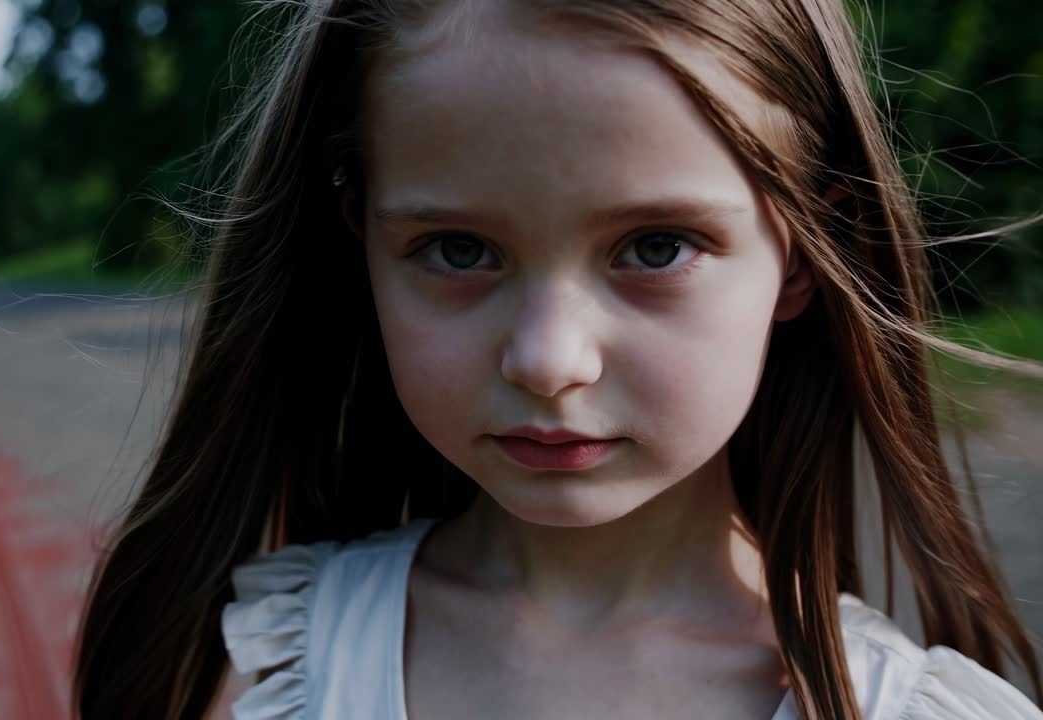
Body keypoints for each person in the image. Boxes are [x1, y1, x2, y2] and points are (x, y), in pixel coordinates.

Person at [72, 0, 1043, 717]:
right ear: (357, 238)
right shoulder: (264, 667)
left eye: (654, 246)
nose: (546, 361)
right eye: (457, 249)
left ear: (799, 256)